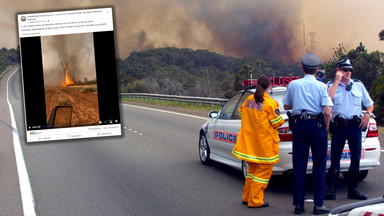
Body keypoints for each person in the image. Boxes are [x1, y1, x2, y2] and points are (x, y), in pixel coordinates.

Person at [282, 53, 333, 215]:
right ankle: (318, 205)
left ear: (302, 68)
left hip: (299, 126)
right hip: (317, 126)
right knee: (319, 166)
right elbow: (327, 111)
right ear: (317, 69)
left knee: (299, 166)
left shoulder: (293, 85)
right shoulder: (322, 86)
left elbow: (286, 106)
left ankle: (299, 205)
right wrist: (325, 128)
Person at [324, 58, 374, 200]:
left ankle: (353, 190)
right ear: (338, 70)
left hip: (354, 126)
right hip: (339, 127)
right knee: (335, 158)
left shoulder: (358, 85)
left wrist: (368, 115)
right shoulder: (331, 85)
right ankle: (331, 190)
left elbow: (369, 104)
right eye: (345, 70)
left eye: (350, 70)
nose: (348, 73)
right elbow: (329, 100)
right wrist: (336, 81)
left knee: (355, 158)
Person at [232, 75, 285, 208]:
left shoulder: (249, 99)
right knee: (262, 174)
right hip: (264, 145)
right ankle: (255, 201)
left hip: (250, 144)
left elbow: (241, 112)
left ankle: (246, 197)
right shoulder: (270, 103)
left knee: (252, 171)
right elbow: (276, 122)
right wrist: (283, 118)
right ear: (269, 87)